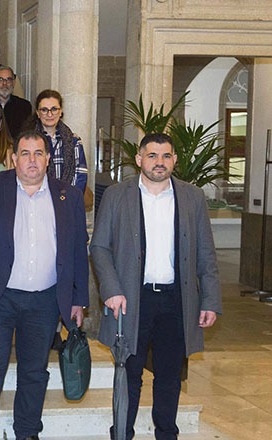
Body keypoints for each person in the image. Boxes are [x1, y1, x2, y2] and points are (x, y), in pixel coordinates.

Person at [90, 133, 221, 440]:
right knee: (129, 375)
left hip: (176, 301)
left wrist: (210, 299)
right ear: (139, 159)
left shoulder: (192, 197)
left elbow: (205, 251)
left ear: (174, 160)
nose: (159, 163)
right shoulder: (116, 195)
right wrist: (111, 289)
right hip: (132, 299)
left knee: (169, 376)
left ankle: (167, 434)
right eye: (152, 156)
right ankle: (122, 434)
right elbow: (99, 247)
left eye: (165, 156)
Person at [0, 130, 88, 440]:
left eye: (39, 153)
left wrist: (77, 299)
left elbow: (76, 251)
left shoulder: (67, 196)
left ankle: (28, 432)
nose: (32, 160)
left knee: (34, 372)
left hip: (44, 301)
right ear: (14, 159)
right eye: (25, 154)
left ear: (47, 159)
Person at [27, 89, 88, 193]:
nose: (49, 115)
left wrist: (68, 200)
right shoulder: (28, 141)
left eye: (54, 109)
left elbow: (81, 176)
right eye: (44, 110)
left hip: (67, 201)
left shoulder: (74, 141)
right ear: (37, 113)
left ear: (60, 112)